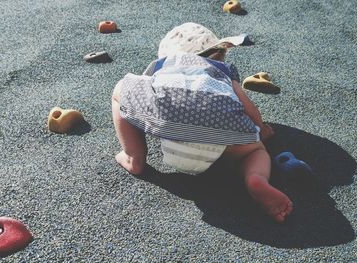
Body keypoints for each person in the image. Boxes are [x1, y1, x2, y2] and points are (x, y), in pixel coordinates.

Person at [111, 23, 293, 222]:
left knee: (122, 89)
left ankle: (133, 156)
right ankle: (255, 177)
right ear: (219, 54)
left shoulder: (162, 66)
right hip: (223, 142)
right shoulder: (222, 70)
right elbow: (247, 106)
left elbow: (147, 96)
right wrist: (260, 130)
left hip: (172, 137)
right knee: (255, 152)